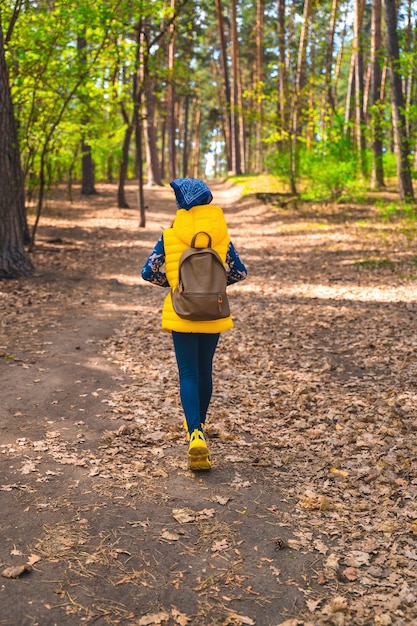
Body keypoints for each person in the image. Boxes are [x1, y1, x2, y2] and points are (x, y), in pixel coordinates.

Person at [141, 178, 247, 471]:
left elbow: (147, 272)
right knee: (204, 371)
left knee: (188, 373)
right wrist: (213, 287)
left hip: (182, 311)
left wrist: (175, 284)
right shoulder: (221, 235)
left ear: (182, 204)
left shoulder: (169, 235)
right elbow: (239, 272)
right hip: (213, 312)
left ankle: (195, 434)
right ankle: (200, 426)